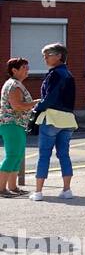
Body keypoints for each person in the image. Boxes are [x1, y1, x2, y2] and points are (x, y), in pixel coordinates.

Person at [29, 43, 77, 201]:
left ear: (59, 56)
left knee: (44, 155)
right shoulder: (69, 74)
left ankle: (38, 192)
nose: (45, 58)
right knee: (64, 154)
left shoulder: (55, 74)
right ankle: (67, 190)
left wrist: (37, 107)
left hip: (52, 118)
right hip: (68, 119)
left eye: (48, 55)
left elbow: (49, 97)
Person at [1, 58, 37, 197]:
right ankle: (1, 188)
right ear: (14, 70)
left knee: (17, 155)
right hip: (12, 124)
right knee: (13, 155)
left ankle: (13, 187)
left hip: (16, 124)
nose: (27, 70)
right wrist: (36, 102)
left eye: (27, 67)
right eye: (24, 68)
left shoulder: (16, 84)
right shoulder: (14, 85)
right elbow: (17, 106)